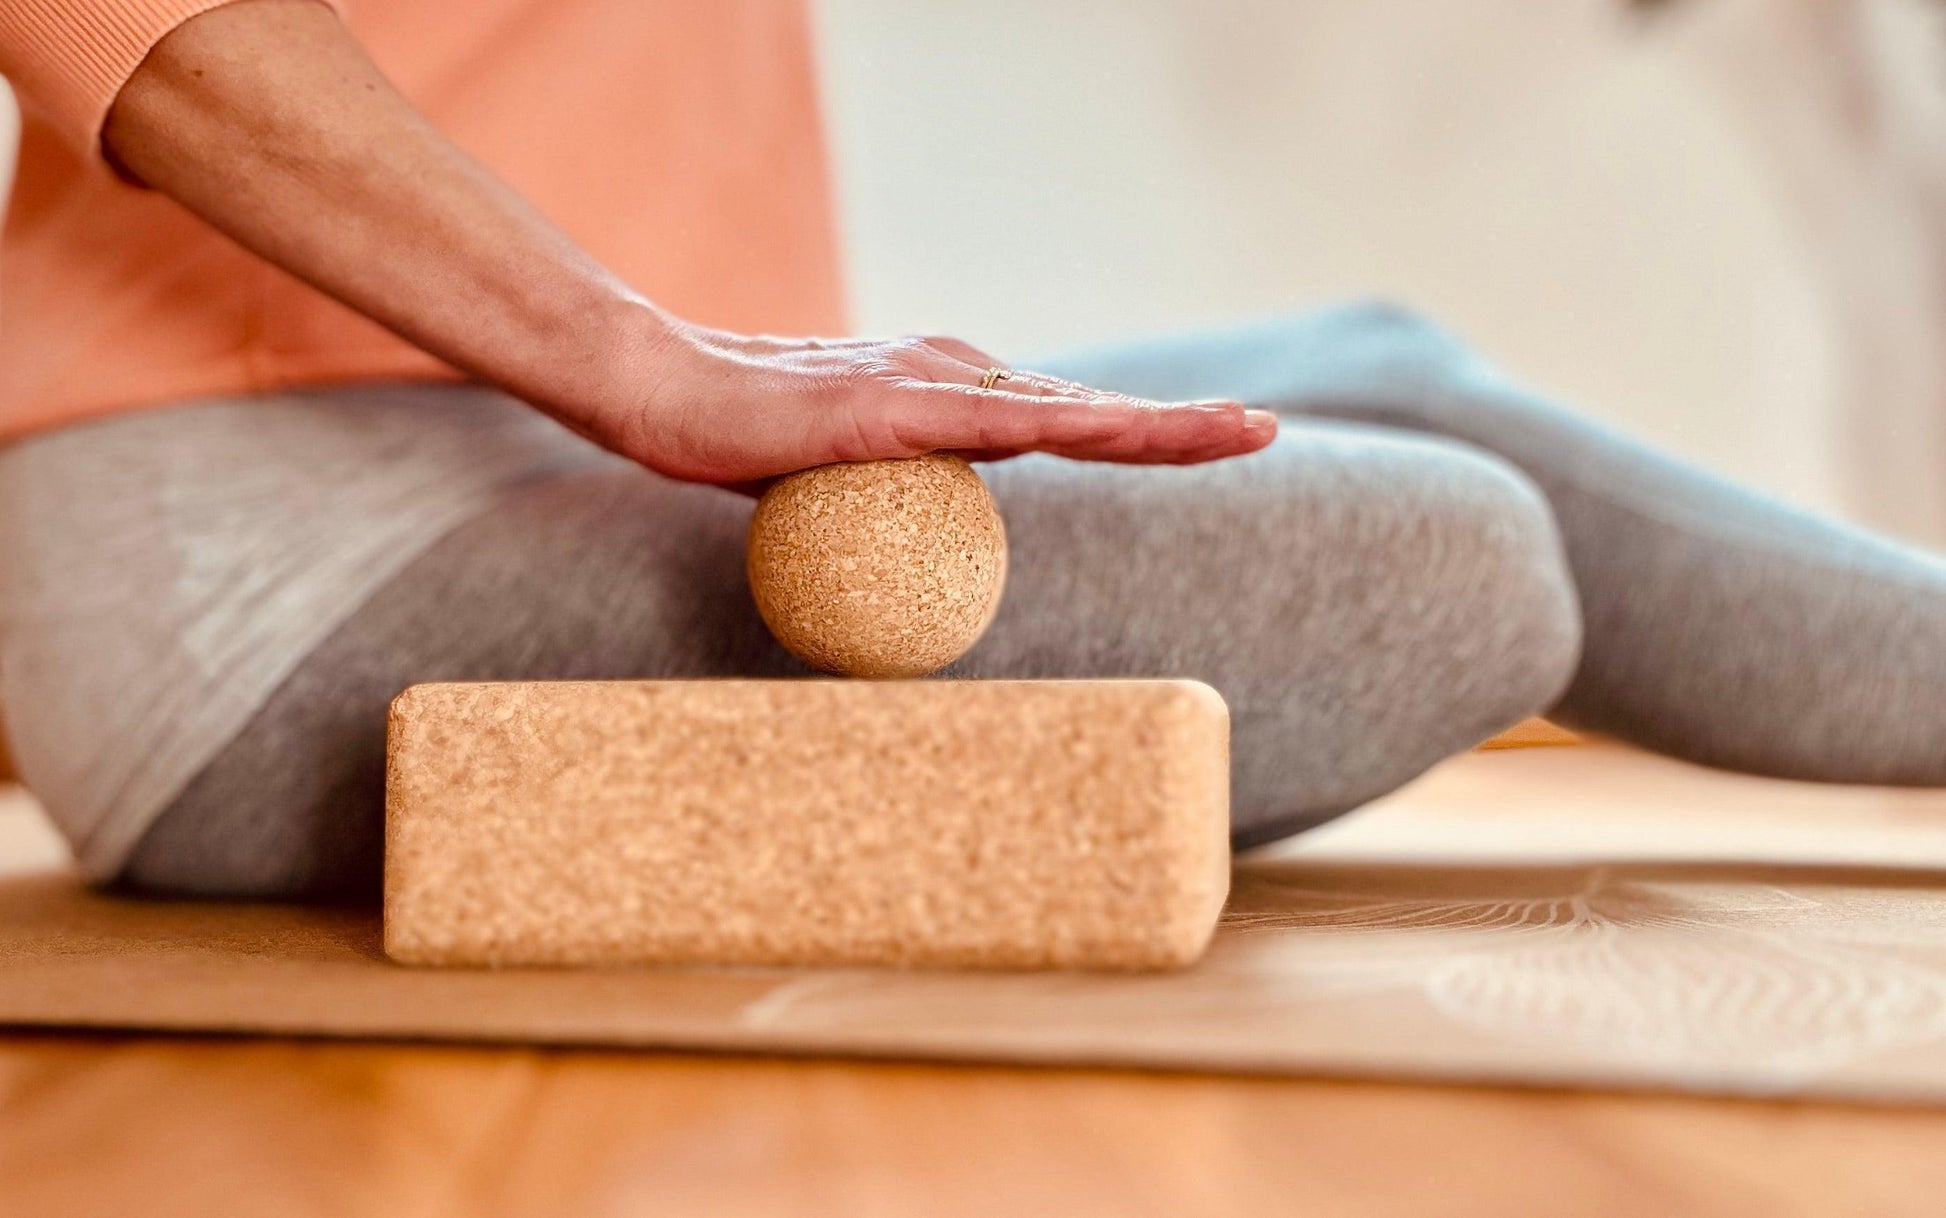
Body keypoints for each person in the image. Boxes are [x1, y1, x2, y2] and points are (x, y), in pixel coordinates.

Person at [1, 0, 1941, 903]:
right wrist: (640, 360)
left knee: (1385, 376)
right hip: (253, 558)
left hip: (560, 467)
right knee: (1457, 566)